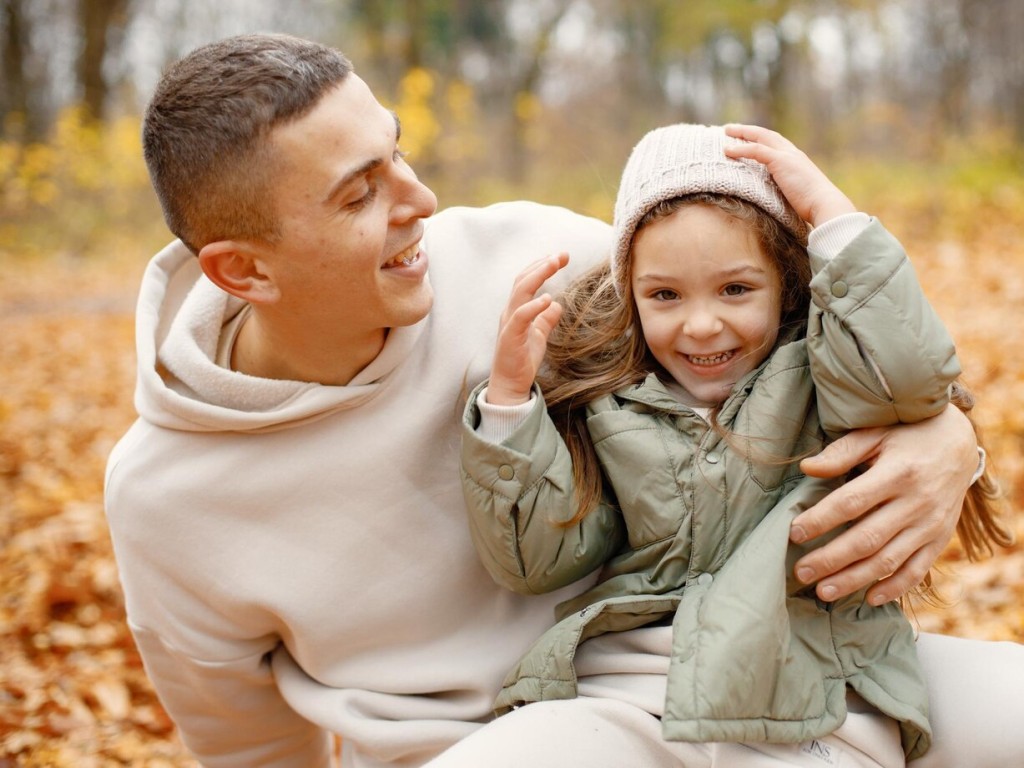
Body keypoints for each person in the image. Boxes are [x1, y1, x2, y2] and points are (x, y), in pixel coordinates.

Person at [102, 33, 1021, 768]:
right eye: (360, 194)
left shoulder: (537, 263)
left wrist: (948, 441)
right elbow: (252, 752)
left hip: (744, 653)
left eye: (399, 154)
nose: (420, 199)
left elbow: (825, 342)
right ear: (242, 269)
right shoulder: (168, 497)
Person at [457, 122, 1009, 767]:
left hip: (807, 686)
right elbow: (536, 561)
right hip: (627, 684)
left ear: (787, 282)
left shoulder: (826, 374)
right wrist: (509, 401)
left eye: (736, 289)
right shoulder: (609, 401)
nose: (700, 325)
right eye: (664, 295)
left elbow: (909, 381)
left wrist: (834, 220)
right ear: (630, 296)